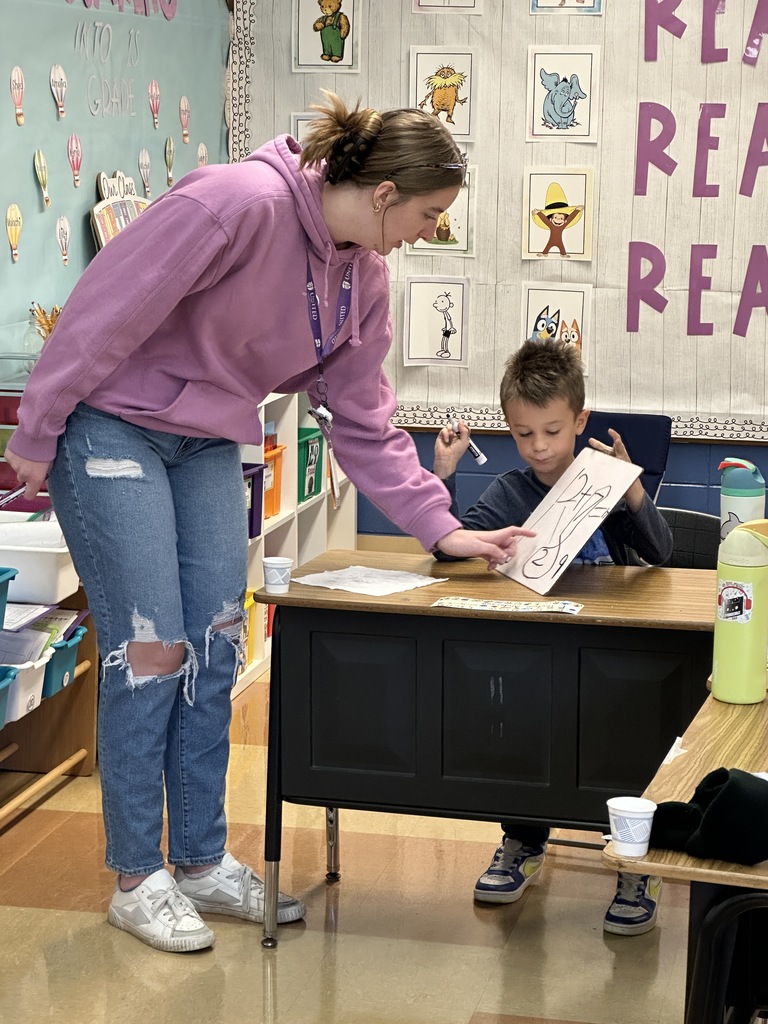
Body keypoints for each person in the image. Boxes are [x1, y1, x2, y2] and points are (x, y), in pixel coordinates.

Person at [5, 92, 531, 954]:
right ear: (389, 191)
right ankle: (139, 878)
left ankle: (203, 859)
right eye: (431, 214)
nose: (430, 231)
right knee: (151, 651)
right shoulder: (236, 202)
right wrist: (38, 426)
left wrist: (441, 527)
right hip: (110, 426)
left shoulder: (366, 274)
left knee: (218, 643)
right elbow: (104, 307)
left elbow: (361, 416)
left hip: (208, 439)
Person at [433, 338, 673, 936]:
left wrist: (633, 490)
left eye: (552, 431)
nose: (539, 447)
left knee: (622, 742)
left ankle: (634, 858)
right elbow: (449, 551)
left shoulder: (606, 482)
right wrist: (444, 476)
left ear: (580, 422)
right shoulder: (510, 492)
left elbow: (663, 553)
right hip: (536, 656)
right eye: (523, 434)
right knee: (520, 735)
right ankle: (522, 839)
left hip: (611, 654)